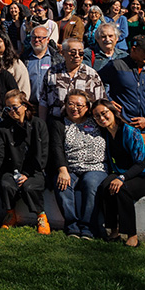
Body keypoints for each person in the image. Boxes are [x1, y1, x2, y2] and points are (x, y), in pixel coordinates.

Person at [0, 89, 50, 233]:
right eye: (8, 108)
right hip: (12, 168)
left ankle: (41, 216)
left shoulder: (38, 124)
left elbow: (42, 153)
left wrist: (27, 173)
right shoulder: (4, 127)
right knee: (5, 184)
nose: (12, 111)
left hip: (34, 169)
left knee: (29, 187)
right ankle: (10, 214)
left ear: (25, 105)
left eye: (15, 107)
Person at [92, 98, 145, 247]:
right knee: (104, 187)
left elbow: (140, 164)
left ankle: (132, 235)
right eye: (97, 116)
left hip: (142, 176)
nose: (101, 118)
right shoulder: (106, 133)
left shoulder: (130, 132)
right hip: (121, 173)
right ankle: (114, 231)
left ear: (113, 112)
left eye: (104, 113)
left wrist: (122, 178)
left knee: (122, 190)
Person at [49, 90, 107, 238]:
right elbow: (56, 147)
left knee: (90, 184)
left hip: (95, 166)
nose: (75, 108)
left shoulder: (96, 121)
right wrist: (63, 170)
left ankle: (88, 227)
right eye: (71, 104)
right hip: (70, 167)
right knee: (62, 185)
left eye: (79, 105)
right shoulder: (59, 123)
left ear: (87, 107)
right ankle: (72, 226)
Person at [97, 36, 145, 146]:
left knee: (141, 157)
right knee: (120, 157)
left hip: (143, 126)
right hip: (119, 123)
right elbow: (96, 82)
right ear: (133, 49)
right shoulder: (116, 66)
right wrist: (107, 101)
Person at [38, 38, 105, 121]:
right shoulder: (52, 72)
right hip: (57, 122)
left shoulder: (91, 74)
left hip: (84, 123)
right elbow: (43, 102)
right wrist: (42, 123)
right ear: (63, 53)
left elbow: (100, 101)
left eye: (80, 53)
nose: (77, 55)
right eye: (73, 52)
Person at [22, 26, 58, 105]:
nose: (36, 40)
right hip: (30, 104)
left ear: (47, 40)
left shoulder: (57, 59)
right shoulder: (23, 58)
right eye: (34, 37)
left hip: (51, 105)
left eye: (40, 38)